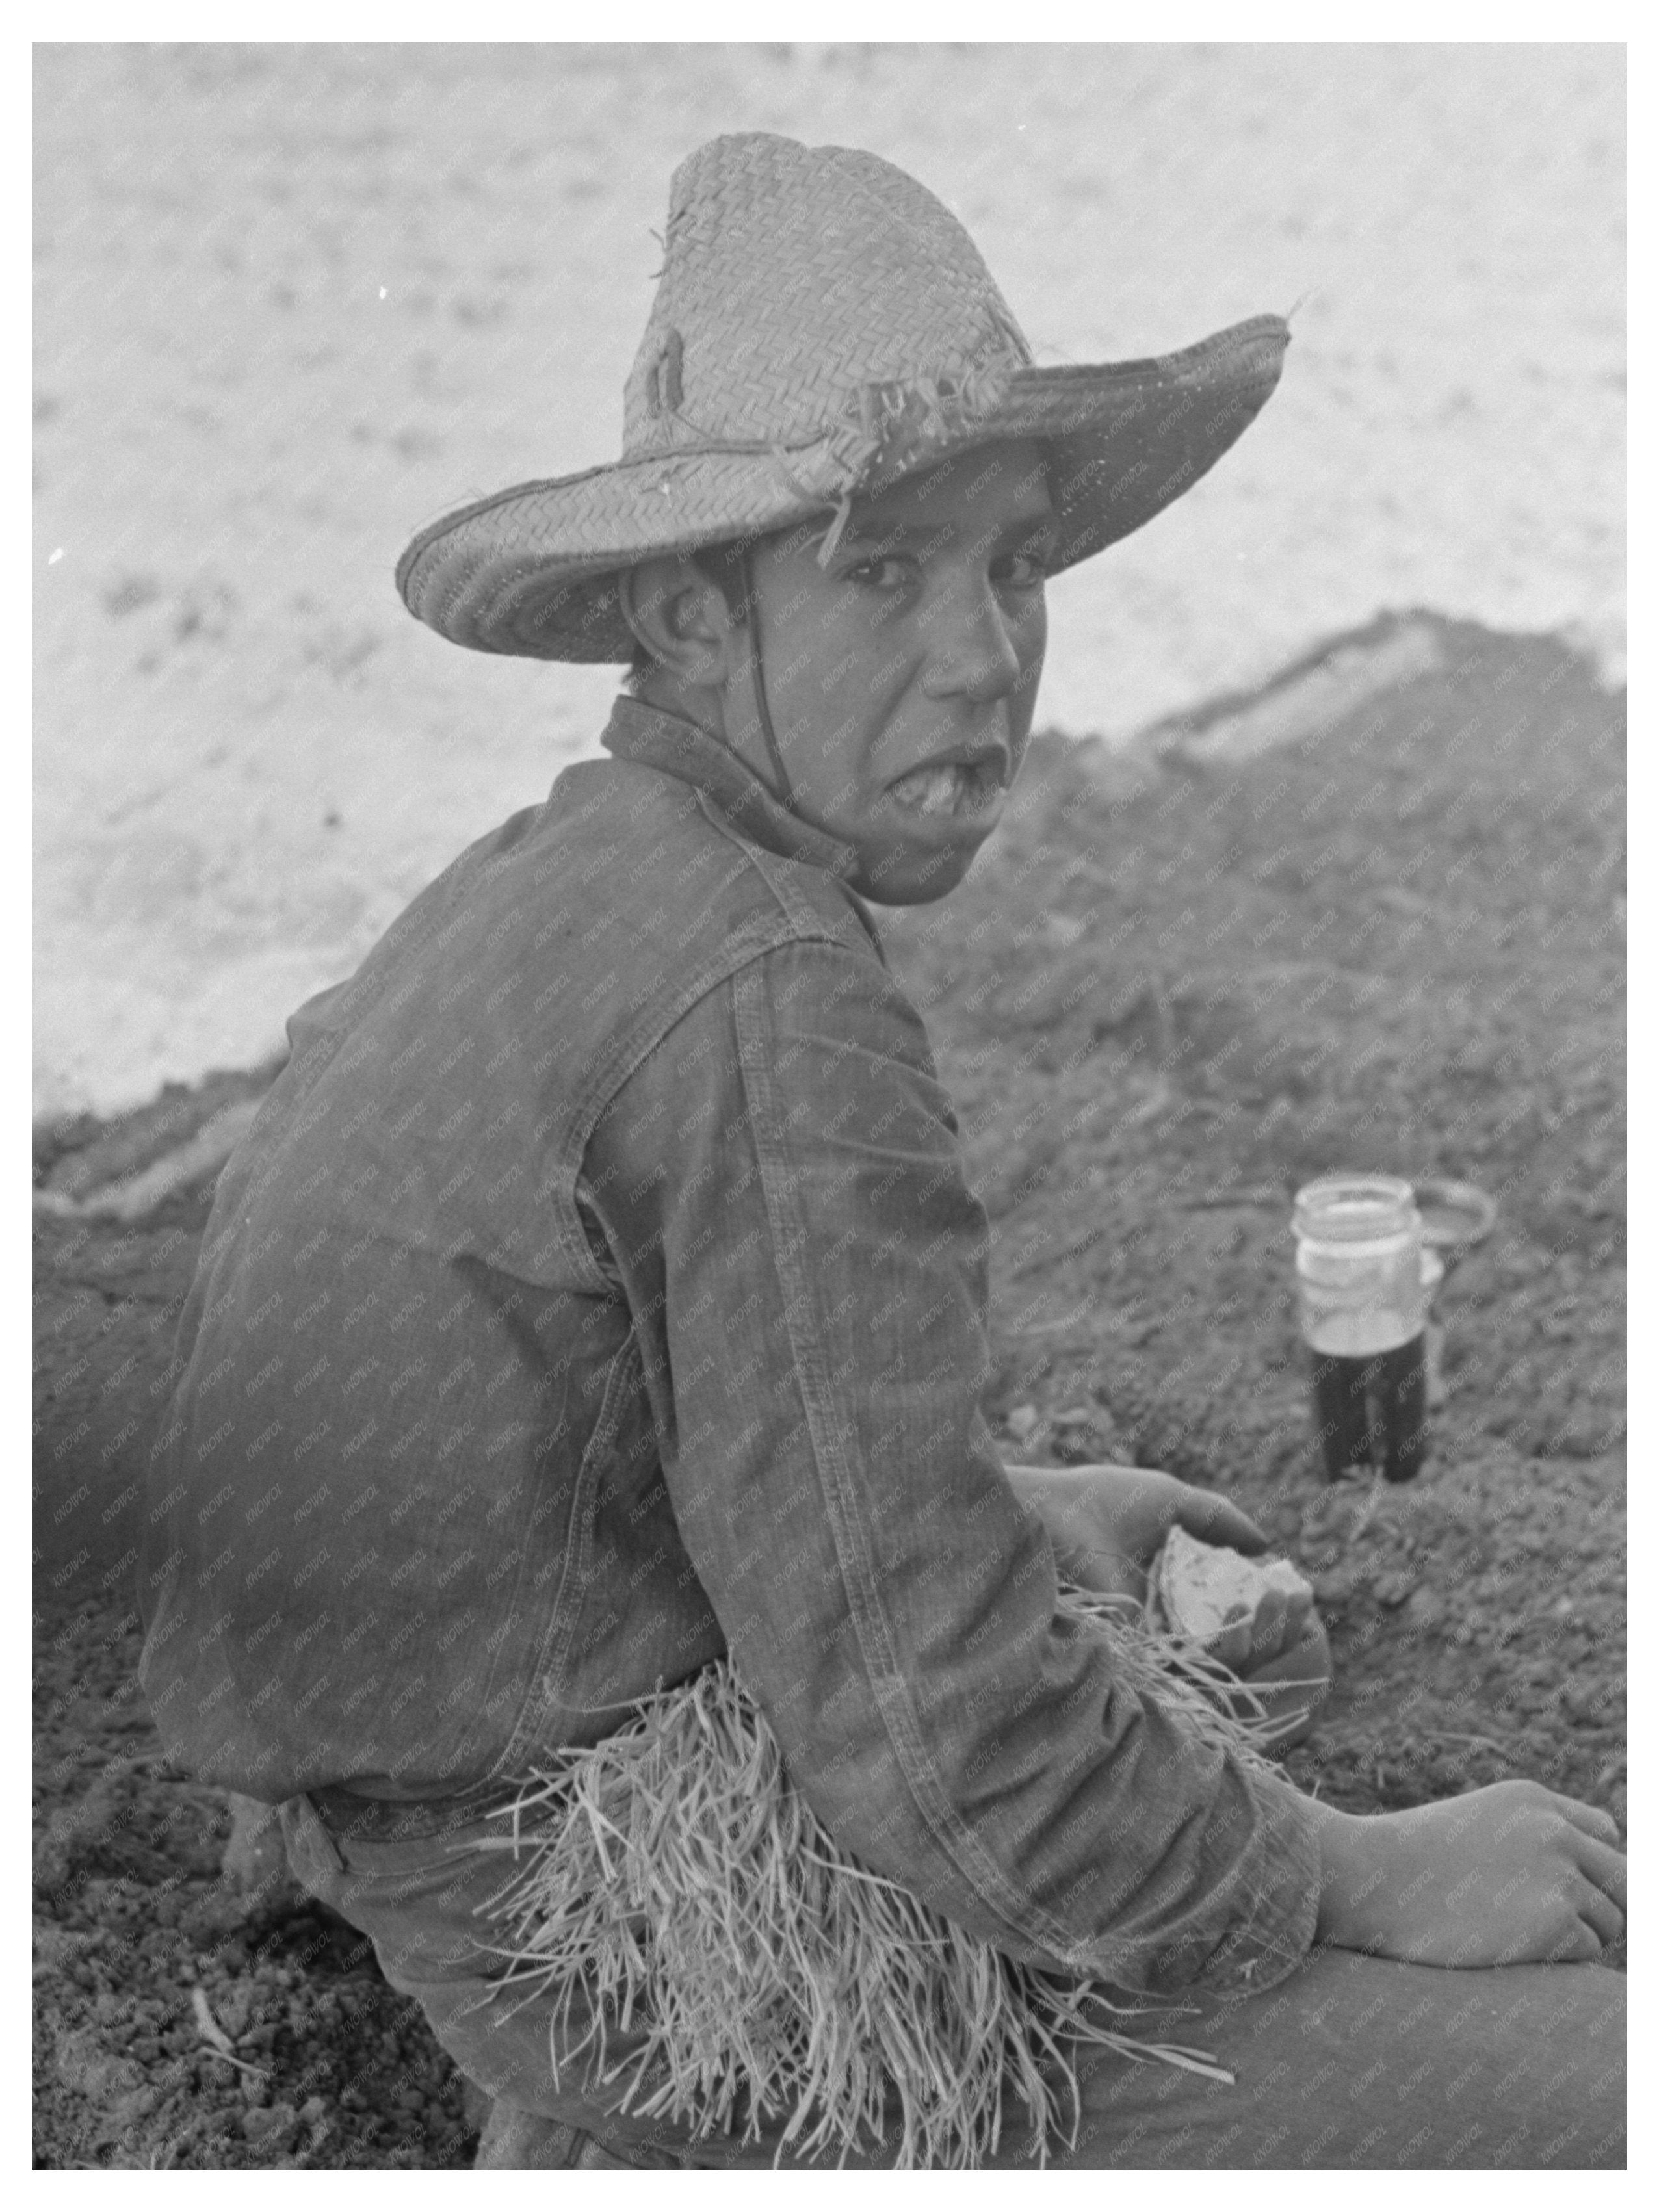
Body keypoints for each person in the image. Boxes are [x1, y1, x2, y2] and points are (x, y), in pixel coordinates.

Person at [137, 133, 1625, 2170]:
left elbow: (581, 1412)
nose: (985, 655)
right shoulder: (763, 994)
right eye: (882, 568)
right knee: (1599, 2073)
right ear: (686, 612)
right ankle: (666, 2138)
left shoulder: (558, 884)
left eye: (1013, 564)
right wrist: (1360, 1872)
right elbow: (939, 1741)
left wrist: (1011, 1510)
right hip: (591, 1918)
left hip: (411, 1774)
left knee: (1179, 1636)